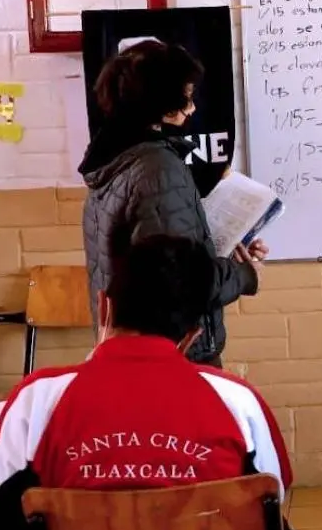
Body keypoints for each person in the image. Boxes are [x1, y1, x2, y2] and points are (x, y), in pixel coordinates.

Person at [0, 236, 295, 530]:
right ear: (191, 336)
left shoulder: (36, 398)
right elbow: (273, 496)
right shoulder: (236, 400)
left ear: (103, 307)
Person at [78, 39, 264, 367]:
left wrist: (224, 244)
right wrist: (244, 274)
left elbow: (153, 252)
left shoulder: (114, 161)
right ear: (160, 102)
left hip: (128, 351)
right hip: (173, 355)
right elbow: (179, 281)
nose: (192, 108)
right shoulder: (157, 168)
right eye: (186, 97)